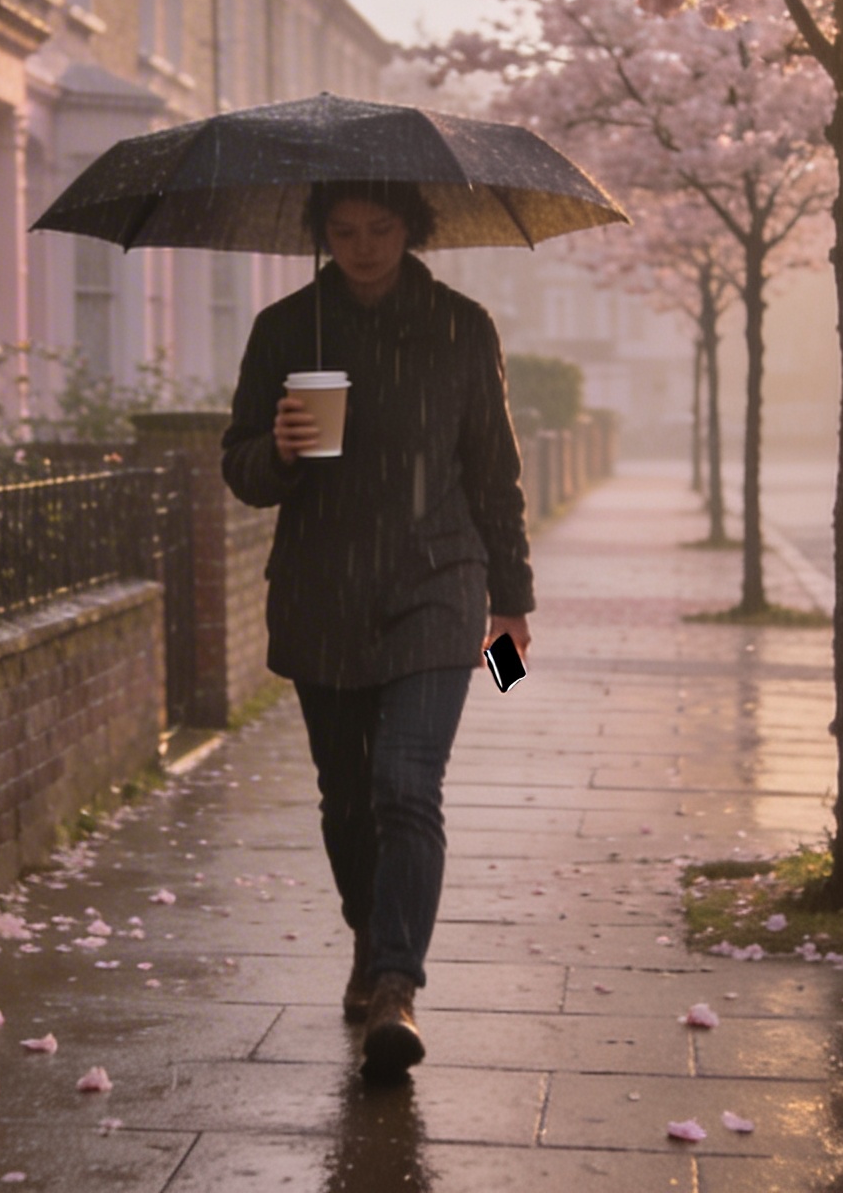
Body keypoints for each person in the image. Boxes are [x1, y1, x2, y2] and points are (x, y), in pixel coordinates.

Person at [221, 181, 534, 1080]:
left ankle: (396, 984)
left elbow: (495, 474)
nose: (362, 247)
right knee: (347, 797)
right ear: (321, 231)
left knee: (405, 784)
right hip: (323, 592)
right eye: (344, 231)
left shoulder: (462, 327)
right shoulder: (288, 328)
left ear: (413, 228)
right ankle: (370, 937)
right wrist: (273, 451)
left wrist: (510, 613)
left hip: (440, 587)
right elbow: (239, 464)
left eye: (381, 229)